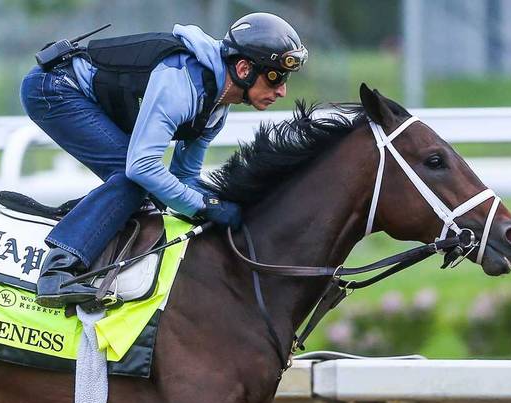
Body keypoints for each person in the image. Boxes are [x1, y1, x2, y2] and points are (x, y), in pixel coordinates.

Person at [20, 13, 307, 307]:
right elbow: (141, 167)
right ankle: (57, 271)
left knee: (150, 187)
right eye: (275, 76)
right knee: (133, 180)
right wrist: (204, 206)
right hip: (53, 88)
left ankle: (85, 223)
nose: (282, 90)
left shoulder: (217, 107)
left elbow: (184, 177)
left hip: (85, 95)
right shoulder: (180, 84)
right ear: (244, 68)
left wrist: (228, 205)